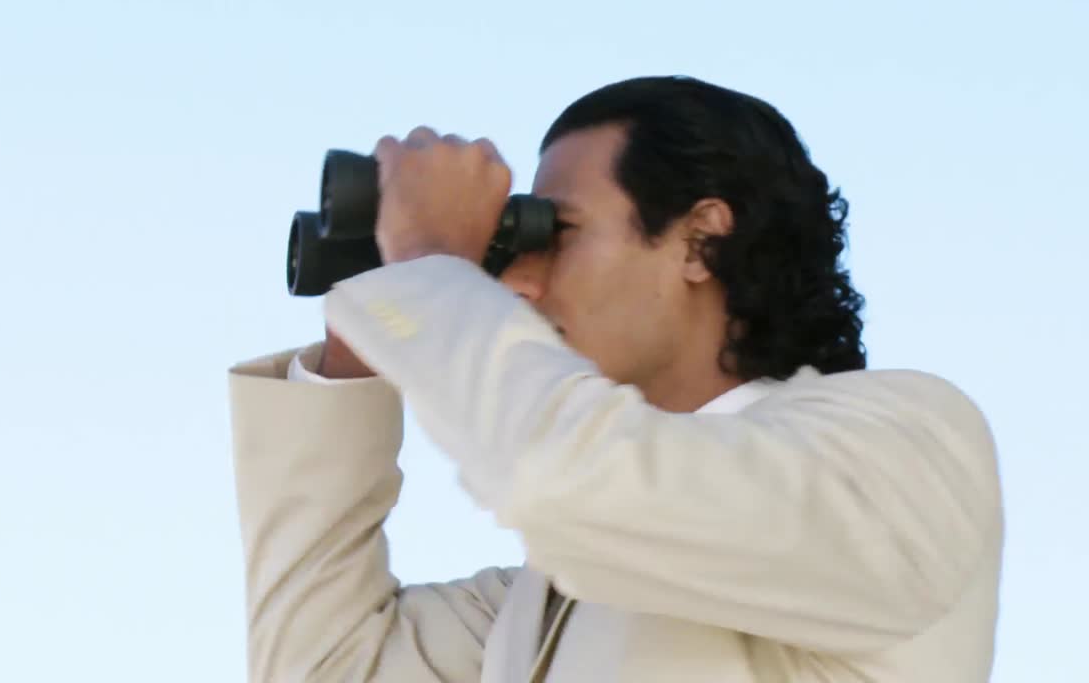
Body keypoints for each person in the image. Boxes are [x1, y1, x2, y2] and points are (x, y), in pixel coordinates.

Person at [228, 76, 1003, 682]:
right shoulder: (545, 604)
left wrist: (431, 268)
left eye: (553, 233)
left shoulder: (904, 443)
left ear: (701, 240)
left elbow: (570, 484)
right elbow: (323, 668)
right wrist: (361, 347)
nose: (520, 286)